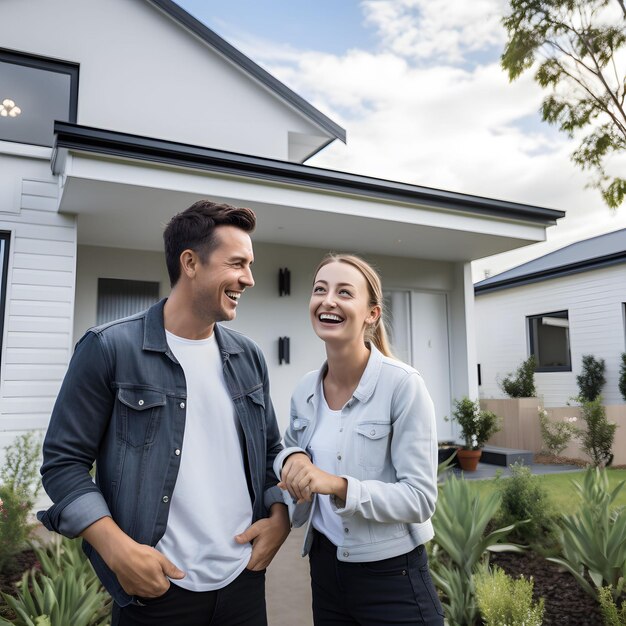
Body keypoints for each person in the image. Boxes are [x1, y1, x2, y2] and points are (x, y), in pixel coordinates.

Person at [38, 200, 290, 626]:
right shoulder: (109, 349)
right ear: (190, 262)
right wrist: (117, 551)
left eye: (250, 265)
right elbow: (64, 464)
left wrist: (279, 518)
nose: (248, 279)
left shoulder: (248, 356)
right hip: (155, 591)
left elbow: (270, 452)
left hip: (243, 582)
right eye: (237, 264)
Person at [275, 253, 444, 625]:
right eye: (320, 289)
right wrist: (293, 460)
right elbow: (286, 449)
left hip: (391, 578)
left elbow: (419, 498)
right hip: (325, 567)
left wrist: (336, 485)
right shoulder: (305, 388)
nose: (328, 300)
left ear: (371, 314)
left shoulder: (403, 385)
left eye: (344, 292)